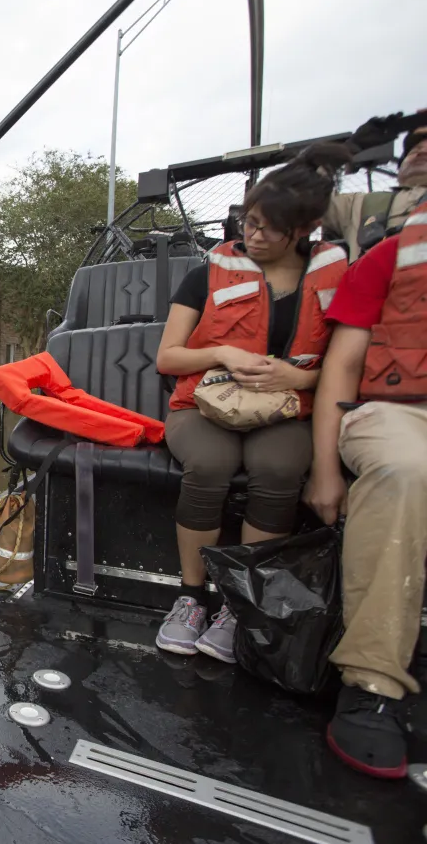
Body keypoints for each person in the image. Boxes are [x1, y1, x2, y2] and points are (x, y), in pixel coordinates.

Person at [154, 144, 351, 661]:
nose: (253, 234)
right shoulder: (205, 275)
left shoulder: (337, 280)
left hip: (287, 409)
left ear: (304, 227)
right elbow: (168, 358)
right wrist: (222, 351)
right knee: (210, 464)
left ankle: (239, 605)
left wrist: (298, 379)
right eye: (248, 222)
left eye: (267, 227)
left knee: (280, 467)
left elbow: (349, 364)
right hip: (202, 407)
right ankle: (191, 597)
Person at [303, 197, 427, 779]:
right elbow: (343, 365)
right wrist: (325, 469)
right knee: (407, 470)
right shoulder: (386, 257)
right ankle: (372, 678)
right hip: (398, 410)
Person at [324, 122, 427, 261]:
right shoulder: (357, 205)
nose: (422, 152)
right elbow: (299, 198)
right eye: (415, 150)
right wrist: (346, 150)